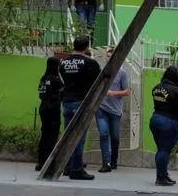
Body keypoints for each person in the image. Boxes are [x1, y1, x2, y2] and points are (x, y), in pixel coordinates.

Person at [59, 36, 102, 180]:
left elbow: (64, 80)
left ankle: (67, 166)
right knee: (79, 137)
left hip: (66, 102)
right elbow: (98, 82)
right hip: (81, 102)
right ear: (87, 47)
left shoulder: (63, 63)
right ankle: (76, 169)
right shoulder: (90, 63)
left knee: (67, 136)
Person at [149, 66, 178, 186]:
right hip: (168, 121)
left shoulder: (156, 87)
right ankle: (161, 178)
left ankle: (163, 174)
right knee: (164, 150)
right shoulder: (176, 90)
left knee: (161, 149)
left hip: (155, 119)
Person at [95, 47, 131, 172]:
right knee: (104, 134)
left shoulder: (122, 72)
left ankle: (113, 161)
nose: (109, 59)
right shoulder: (101, 72)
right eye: (108, 57)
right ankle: (106, 163)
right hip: (101, 109)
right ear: (105, 58)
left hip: (115, 111)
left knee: (114, 137)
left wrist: (112, 93)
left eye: (112, 57)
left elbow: (127, 91)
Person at [35, 56, 64, 172]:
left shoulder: (44, 77)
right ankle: (49, 162)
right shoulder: (56, 79)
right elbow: (63, 92)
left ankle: (40, 162)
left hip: (43, 106)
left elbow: (40, 92)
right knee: (52, 135)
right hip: (53, 107)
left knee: (44, 134)